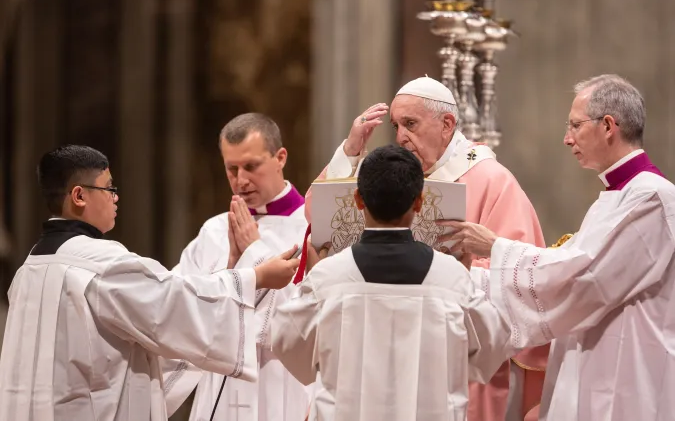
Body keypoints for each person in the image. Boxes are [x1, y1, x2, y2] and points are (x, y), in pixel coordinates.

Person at [302, 76, 548, 421]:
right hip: (378, 343)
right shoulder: (392, 175)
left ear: (447, 124)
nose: (401, 136)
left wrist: (453, 277)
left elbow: (520, 276)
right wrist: (350, 152)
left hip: (449, 353)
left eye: (411, 124)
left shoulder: (491, 180)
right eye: (396, 125)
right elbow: (317, 216)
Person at [0, 145, 300, 421]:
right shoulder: (102, 265)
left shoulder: (29, 268)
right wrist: (255, 275)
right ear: (79, 196)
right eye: (108, 188)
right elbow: (180, 305)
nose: (115, 197)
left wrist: (234, 267)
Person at [441, 74, 674, 421]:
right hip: (595, 367)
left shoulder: (651, 197)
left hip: (626, 376)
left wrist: (495, 248)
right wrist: (462, 277)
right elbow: (569, 272)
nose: (567, 139)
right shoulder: (614, 198)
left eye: (575, 125)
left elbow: (582, 280)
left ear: (608, 126)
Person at [271, 144, 512, 421]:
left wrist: (315, 277)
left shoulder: (328, 279)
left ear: (358, 200)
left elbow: (287, 343)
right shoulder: (452, 279)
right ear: (419, 202)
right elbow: (492, 349)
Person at [163, 113, 310, 421]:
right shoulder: (214, 231)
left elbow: (308, 319)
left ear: (280, 157)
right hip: (221, 389)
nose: (241, 180)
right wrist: (230, 265)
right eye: (232, 169)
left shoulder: (311, 228)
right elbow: (179, 303)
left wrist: (254, 254)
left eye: (251, 166)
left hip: (281, 383)